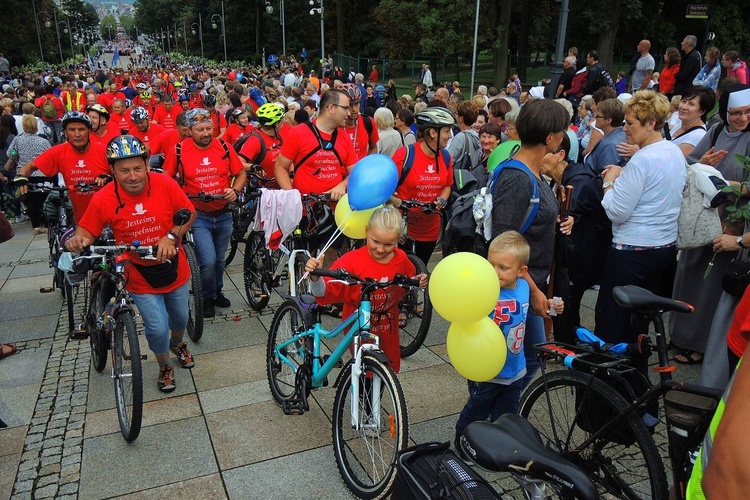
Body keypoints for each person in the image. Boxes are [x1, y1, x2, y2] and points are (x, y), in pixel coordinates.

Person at [65, 135, 197, 393]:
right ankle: (164, 366)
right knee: (157, 327)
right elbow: (87, 229)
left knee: (181, 317)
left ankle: (178, 343)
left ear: (147, 164)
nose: (133, 176)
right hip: (137, 273)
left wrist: (172, 235)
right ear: (112, 170)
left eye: (138, 168)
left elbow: (189, 213)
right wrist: (78, 239)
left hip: (174, 267)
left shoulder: (165, 184)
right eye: (124, 170)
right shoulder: (104, 197)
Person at [452, 231, 563, 461]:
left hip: (515, 368)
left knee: (507, 413)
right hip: (486, 370)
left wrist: (550, 306)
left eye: (503, 268)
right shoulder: (484, 290)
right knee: (477, 408)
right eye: (491, 264)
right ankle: (462, 439)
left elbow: (529, 310)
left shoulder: (523, 287)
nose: (494, 272)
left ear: (521, 272)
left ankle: (494, 444)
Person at [490, 98, 572, 388]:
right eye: (562, 131)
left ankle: (503, 418)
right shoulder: (518, 178)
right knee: (508, 367)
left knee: (527, 360)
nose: (565, 136)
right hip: (516, 288)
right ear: (550, 137)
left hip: (525, 284)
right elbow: (503, 246)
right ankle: (485, 423)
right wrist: (535, 291)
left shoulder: (534, 172)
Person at [672, 84, 750, 386]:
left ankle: (699, 345)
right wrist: (703, 166)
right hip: (703, 216)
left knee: (711, 286)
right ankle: (679, 335)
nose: (741, 118)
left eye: (746, 113)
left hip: (733, 224)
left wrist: (733, 187)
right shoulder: (717, 131)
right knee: (689, 273)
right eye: (735, 113)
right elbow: (691, 163)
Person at [595, 91, 686, 346]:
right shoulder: (672, 151)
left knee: (614, 325)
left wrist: (610, 181)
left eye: (630, 123)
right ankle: (636, 378)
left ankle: (611, 381)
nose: (625, 128)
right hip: (663, 248)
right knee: (638, 327)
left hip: (631, 252)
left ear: (650, 124)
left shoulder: (642, 160)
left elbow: (617, 211)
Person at [303, 205, 428, 374]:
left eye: (389, 244)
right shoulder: (352, 261)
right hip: (358, 324)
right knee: (363, 369)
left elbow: (405, 282)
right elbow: (323, 292)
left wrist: (416, 282)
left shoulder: (401, 259)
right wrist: (315, 277)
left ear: (398, 239)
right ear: (366, 231)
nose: (381, 249)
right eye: (375, 241)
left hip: (387, 325)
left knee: (386, 369)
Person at [163, 108, 247, 318]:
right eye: (200, 129)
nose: (206, 133)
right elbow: (166, 179)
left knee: (219, 260)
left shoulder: (224, 147)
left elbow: (240, 173)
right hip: (198, 214)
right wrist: (179, 199)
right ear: (190, 130)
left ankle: (216, 290)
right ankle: (206, 297)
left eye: (209, 128)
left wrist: (234, 190)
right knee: (207, 260)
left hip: (223, 211)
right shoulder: (179, 150)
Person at [14, 112, 110, 223]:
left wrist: (108, 176)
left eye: (81, 129)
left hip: (105, 213)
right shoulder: (59, 151)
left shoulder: (103, 150)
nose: (77, 134)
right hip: (77, 216)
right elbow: (30, 166)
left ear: (89, 131)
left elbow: (121, 173)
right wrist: (21, 177)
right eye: (72, 130)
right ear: (65, 133)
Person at [392, 107, 456, 266]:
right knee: (402, 270)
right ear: (433, 133)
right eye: (447, 131)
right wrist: (395, 201)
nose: (450, 136)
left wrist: (443, 198)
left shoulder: (446, 157)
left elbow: (448, 186)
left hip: (430, 230)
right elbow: (386, 189)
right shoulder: (404, 155)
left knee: (421, 270)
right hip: (404, 228)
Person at [5, 115, 50, 233]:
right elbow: (50, 155)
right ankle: (46, 224)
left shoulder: (18, 140)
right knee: (43, 200)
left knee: (30, 201)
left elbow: (11, 153)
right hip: (41, 173)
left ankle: (35, 225)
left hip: (24, 174)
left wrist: (16, 155)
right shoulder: (43, 141)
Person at [238, 103, 286, 186]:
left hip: (279, 186)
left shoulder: (277, 136)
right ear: (277, 123)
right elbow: (238, 162)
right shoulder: (255, 140)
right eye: (282, 120)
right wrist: (253, 167)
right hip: (263, 189)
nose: (283, 123)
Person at [583, 98, 627, 174]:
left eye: (598, 116)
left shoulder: (610, 145)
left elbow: (604, 174)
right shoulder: (620, 133)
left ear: (608, 121)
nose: (595, 117)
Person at [340, 84, 379, 160]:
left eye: (357, 104)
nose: (354, 109)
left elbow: (373, 147)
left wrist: (366, 165)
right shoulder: (334, 125)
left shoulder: (368, 122)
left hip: (360, 169)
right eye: (350, 105)